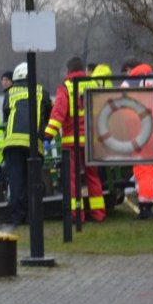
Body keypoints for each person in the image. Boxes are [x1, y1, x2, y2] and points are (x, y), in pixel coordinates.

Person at [43, 56, 107, 224]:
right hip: (92, 141)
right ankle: (99, 213)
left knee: (72, 179)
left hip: (72, 142)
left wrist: (48, 136)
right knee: (93, 177)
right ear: (83, 70)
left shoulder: (66, 88)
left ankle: (76, 215)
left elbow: (57, 115)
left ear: (68, 70)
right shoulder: (95, 85)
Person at [2, 62, 52, 225]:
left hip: (12, 143)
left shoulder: (9, 94)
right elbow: (48, 116)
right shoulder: (42, 92)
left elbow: (6, 114)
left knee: (16, 181)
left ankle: (18, 217)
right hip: (34, 144)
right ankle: (33, 215)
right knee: (33, 181)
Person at [123, 62, 153, 220]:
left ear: (130, 70)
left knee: (143, 171)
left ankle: (145, 207)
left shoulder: (129, 83)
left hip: (138, 131)